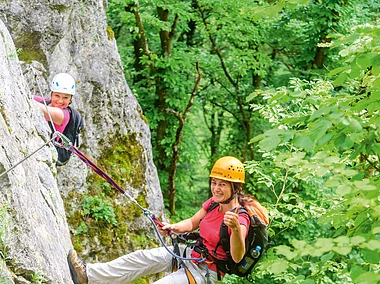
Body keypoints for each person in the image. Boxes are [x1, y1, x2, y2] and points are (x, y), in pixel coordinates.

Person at [67, 156, 253, 284]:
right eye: (214, 182)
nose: (216, 188)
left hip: (205, 272)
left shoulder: (241, 217)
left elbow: (237, 257)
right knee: (141, 258)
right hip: (189, 254)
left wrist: (235, 229)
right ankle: (88, 275)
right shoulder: (213, 204)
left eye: (222, 184)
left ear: (235, 188)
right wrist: (173, 226)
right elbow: (192, 223)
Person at [33, 73, 84, 166]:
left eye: (65, 97)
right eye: (57, 95)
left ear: (70, 99)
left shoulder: (63, 115)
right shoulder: (44, 101)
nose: (60, 101)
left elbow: (40, 108)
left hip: (47, 153)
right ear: (51, 94)